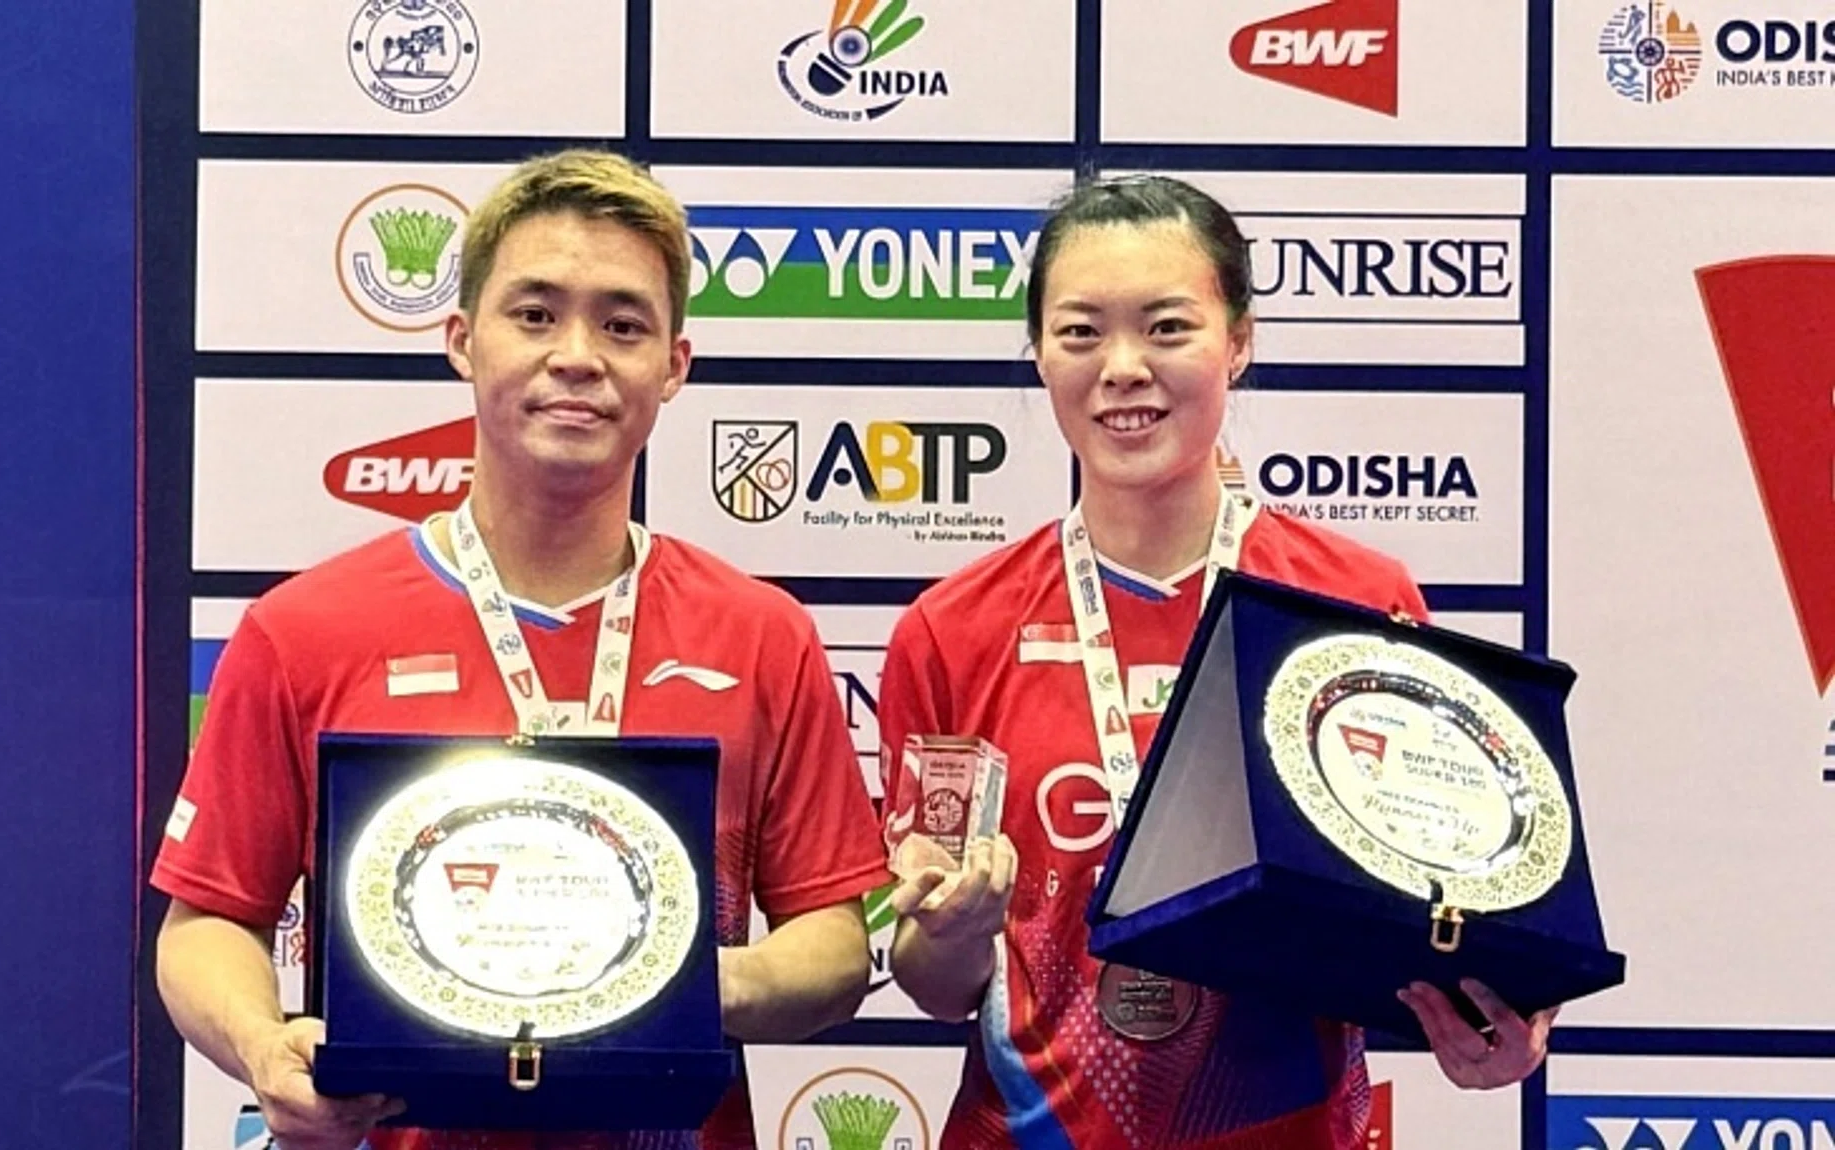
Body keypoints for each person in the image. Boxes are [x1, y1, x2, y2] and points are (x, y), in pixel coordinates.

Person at [151, 149, 892, 1150]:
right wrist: (261, 1042)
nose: (577, 354)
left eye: (623, 323)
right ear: (463, 340)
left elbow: (834, 945)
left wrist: (678, 974)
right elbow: (205, 926)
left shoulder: (761, 633)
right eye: (535, 314)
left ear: (674, 364)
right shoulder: (305, 627)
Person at [877, 174, 1554, 1149]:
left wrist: (1492, 1015)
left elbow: (1434, 915)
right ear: (1037, 354)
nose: (1121, 368)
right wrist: (946, 931)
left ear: (1238, 340)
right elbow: (938, 988)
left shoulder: (1361, 603)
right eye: (1079, 332)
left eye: (1166, 327)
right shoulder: (955, 628)